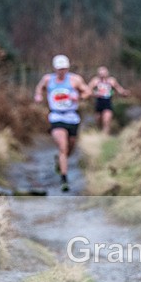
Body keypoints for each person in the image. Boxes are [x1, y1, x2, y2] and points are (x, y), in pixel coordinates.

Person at [34, 54, 91, 192]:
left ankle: (60, 161)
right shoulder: (48, 79)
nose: (62, 71)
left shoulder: (75, 79)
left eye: (64, 69)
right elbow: (39, 88)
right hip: (56, 117)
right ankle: (64, 180)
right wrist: (38, 95)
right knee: (63, 146)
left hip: (72, 117)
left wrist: (78, 96)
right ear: (55, 68)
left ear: (68, 68)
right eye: (59, 69)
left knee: (71, 146)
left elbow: (88, 92)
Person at [87, 66, 130, 134]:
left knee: (106, 120)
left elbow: (119, 89)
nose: (102, 75)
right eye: (100, 73)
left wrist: (124, 93)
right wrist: (94, 94)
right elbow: (87, 90)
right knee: (98, 120)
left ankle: (105, 135)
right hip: (98, 102)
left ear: (107, 73)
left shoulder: (111, 81)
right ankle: (98, 133)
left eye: (104, 73)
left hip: (107, 102)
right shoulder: (95, 81)